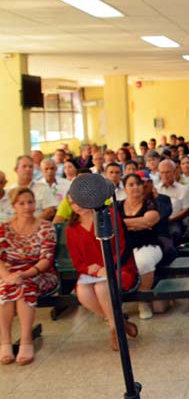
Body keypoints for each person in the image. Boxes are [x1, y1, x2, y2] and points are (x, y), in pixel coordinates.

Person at [66, 197, 138, 351]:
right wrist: (89, 269)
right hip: (91, 273)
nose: (77, 205)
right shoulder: (71, 229)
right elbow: (77, 262)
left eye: (79, 199)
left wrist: (108, 266)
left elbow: (122, 246)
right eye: (72, 202)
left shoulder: (110, 215)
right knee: (83, 293)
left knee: (101, 287)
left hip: (119, 267)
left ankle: (115, 331)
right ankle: (121, 323)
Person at [0, 188, 58, 365]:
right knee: (5, 287)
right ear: (14, 206)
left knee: (24, 286)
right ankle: (5, 342)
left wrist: (23, 275)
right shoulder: (4, 229)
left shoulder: (46, 227)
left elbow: (45, 261)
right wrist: (8, 276)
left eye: (30, 202)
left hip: (40, 274)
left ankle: (26, 341)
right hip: (10, 275)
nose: (27, 207)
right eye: (21, 203)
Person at [120, 173, 163, 319]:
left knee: (143, 261)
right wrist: (138, 223)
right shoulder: (118, 206)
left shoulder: (150, 203)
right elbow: (112, 225)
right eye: (131, 184)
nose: (135, 187)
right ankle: (116, 304)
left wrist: (123, 224)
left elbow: (149, 221)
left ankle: (143, 301)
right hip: (125, 247)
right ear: (124, 188)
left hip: (149, 244)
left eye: (138, 184)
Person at [9, 155, 58, 221]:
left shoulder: (42, 187)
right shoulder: (10, 190)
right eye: (24, 166)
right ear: (16, 169)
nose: (28, 169)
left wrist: (32, 223)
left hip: (38, 227)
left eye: (31, 167)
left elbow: (50, 211)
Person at [156, 159, 189, 246]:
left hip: (175, 221)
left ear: (174, 172)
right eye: (162, 172)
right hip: (157, 222)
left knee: (174, 232)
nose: (165, 175)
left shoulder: (183, 189)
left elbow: (186, 209)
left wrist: (170, 219)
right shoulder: (156, 190)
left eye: (168, 172)